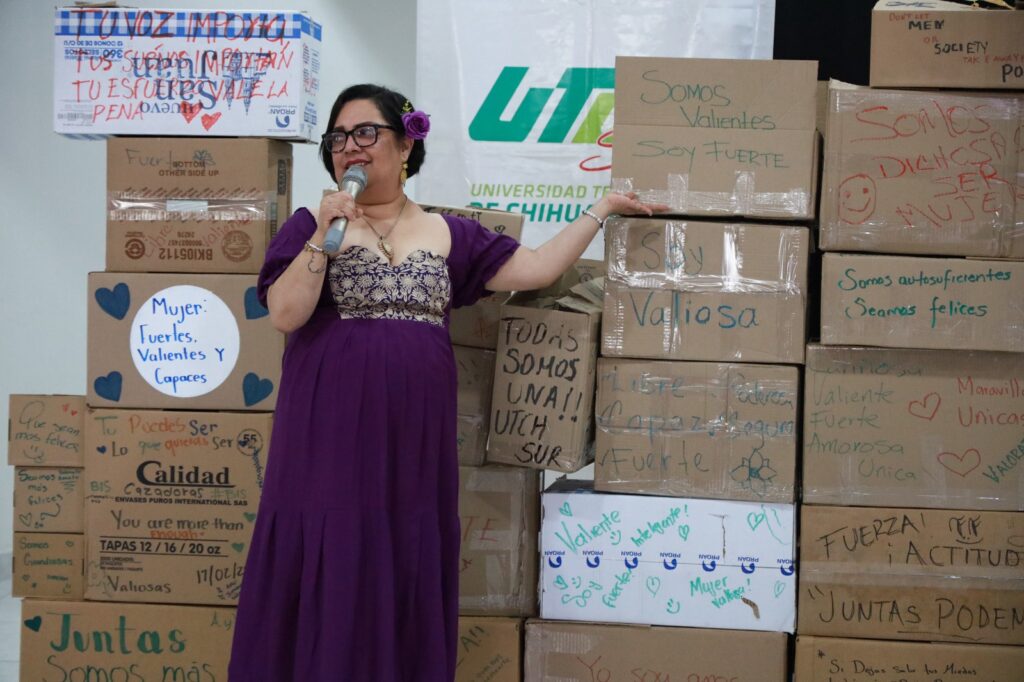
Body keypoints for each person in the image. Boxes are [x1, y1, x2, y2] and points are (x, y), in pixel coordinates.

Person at [228, 83, 663, 681]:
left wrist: (602, 209)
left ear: (406, 145)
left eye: (366, 133)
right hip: (327, 432)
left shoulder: (448, 232)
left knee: (400, 546)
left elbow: (536, 268)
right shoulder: (311, 225)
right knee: (333, 541)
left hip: (414, 438)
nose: (349, 147)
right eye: (338, 137)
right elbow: (285, 314)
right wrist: (321, 236)